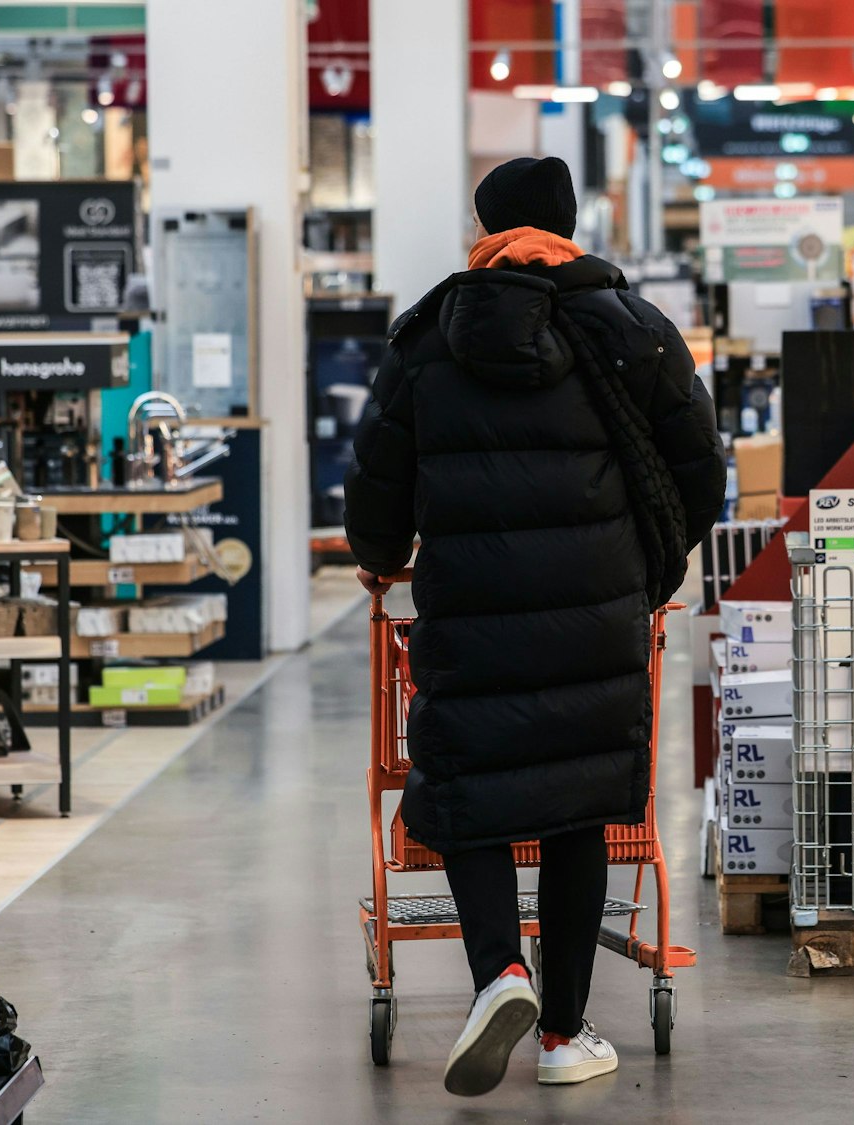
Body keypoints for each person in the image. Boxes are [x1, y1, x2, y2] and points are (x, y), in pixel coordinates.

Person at [343, 155, 726, 1097]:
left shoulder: (428, 336)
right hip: (595, 613)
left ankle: (497, 977)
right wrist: (653, 557)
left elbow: (377, 480)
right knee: (579, 804)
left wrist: (382, 553)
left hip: (468, 604)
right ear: (568, 221)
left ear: (483, 226)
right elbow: (702, 469)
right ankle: (562, 1036)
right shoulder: (630, 327)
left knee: (466, 784)